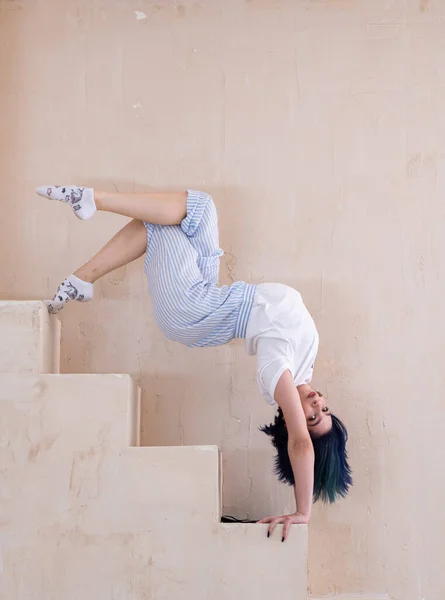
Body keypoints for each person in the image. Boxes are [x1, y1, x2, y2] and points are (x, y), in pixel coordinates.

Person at [36, 185, 352, 541]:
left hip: (189, 309)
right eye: (325, 410)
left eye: (311, 417)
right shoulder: (305, 359)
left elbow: (301, 444)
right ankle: (81, 278)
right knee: (199, 208)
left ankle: (94, 204)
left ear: (294, 419)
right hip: (208, 288)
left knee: (162, 226)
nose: (317, 404)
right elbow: (306, 435)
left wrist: (302, 512)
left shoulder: (276, 371)